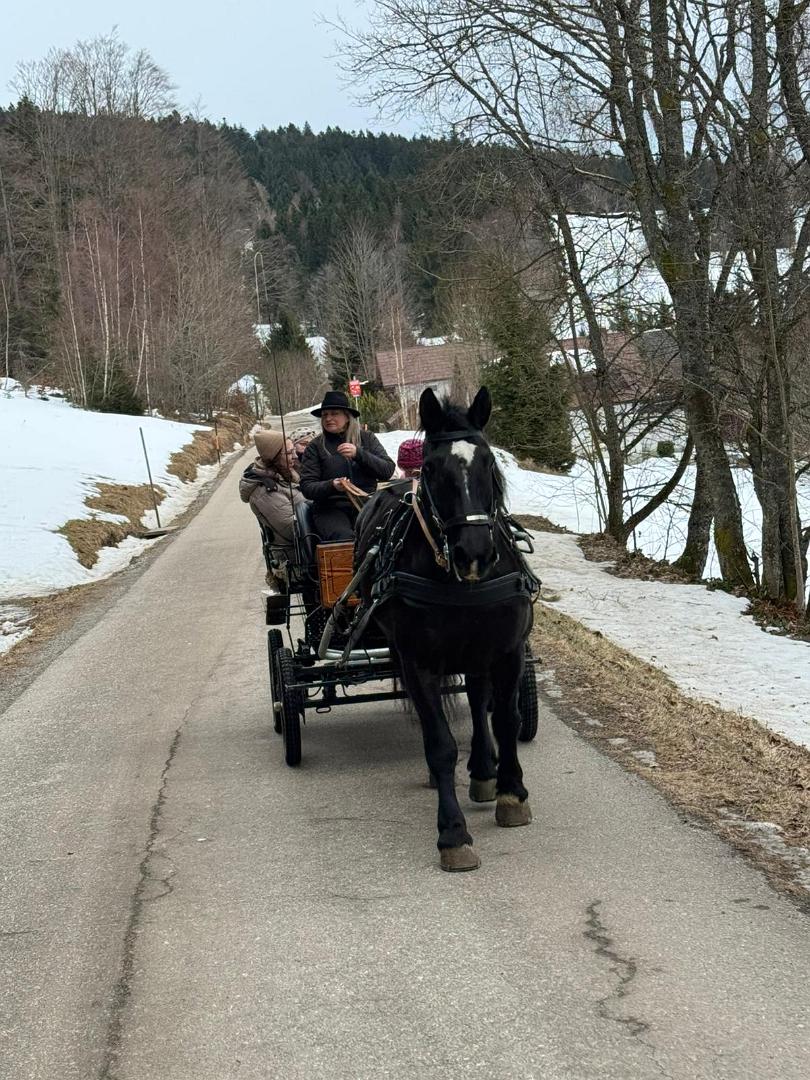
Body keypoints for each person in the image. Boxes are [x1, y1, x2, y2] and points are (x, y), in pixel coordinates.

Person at [299, 390, 395, 541]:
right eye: (325, 415)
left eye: (334, 413)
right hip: (330, 509)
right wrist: (332, 485)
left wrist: (359, 454)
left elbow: (387, 470)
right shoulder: (315, 447)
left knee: (382, 536)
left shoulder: (367, 438)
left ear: (347, 417)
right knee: (345, 538)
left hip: (367, 505)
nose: (328, 418)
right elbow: (307, 487)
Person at [239, 429, 305, 576]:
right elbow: (294, 529)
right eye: (289, 453)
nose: (295, 456)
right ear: (274, 457)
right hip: (297, 559)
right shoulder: (264, 491)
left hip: (306, 550)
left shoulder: (285, 474)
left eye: (294, 451)